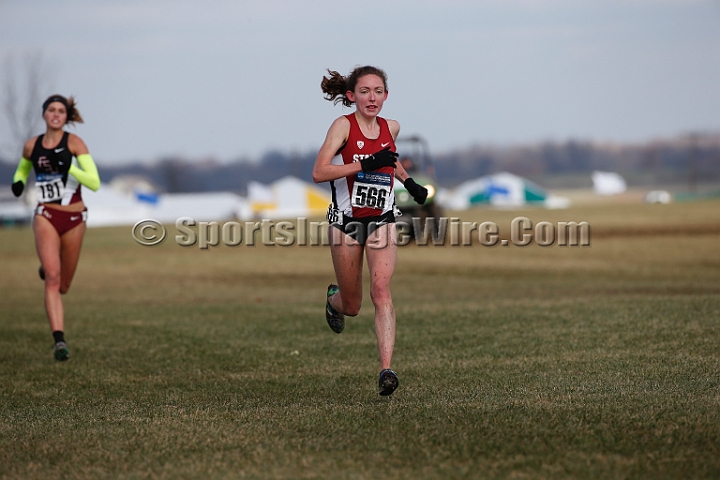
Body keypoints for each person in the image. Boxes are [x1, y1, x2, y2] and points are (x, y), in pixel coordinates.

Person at [312, 66, 428, 396]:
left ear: (386, 96)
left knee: (382, 291)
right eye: (364, 91)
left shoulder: (392, 127)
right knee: (353, 305)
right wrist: (364, 164)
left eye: (378, 91)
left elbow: (388, 160)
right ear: (351, 96)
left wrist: (409, 182)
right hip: (346, 224)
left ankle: (386, 370)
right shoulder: (342, 127)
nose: (372, 98)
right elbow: (320, 172)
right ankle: (334, 301)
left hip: (382, 220)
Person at [11, 94, 100, 361]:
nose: (56, 114)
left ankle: (50, 268)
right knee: (52, 276)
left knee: (63, 285)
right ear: (44, 114)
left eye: (61, 110)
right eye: (52, 109)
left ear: (66, 116)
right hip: (46, 215)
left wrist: (71, 167)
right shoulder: (31, 146)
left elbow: (94, 182)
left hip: (73, 218)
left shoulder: (74, 143)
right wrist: (17, 182)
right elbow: (22, 170)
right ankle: (59, 341)